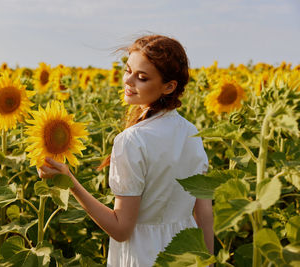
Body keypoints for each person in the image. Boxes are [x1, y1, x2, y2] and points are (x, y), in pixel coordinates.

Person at [37, 34, 214, 267]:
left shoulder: (132, 140)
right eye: (127, 70)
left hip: (144, 256)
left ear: (169, 87)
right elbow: (204, 214)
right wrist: (209, 262)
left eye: (142, 77)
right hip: (188, 255)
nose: (128, 81)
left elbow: (121, 230)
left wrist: (71, 182)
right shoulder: (192, 133)